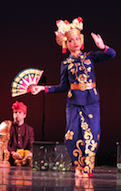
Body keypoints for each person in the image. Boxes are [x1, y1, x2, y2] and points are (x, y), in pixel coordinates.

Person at [31, 17, 116, 178]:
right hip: (73, 103)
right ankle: (78, 166)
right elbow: (63, 87)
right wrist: (43, 88)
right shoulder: (65, 64)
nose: (75, 42)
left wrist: (102, 46)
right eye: (71, 40)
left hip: (91, 101)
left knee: (93, 132)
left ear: (81, 40)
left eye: (77, 39)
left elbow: (112, 54)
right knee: (72, 135)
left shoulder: (91, 56)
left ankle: (88, 167)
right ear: (66, 43)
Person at [7, 101, 34, 167]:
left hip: (24, 159)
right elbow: (5, 145)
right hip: (11, 159)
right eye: (15, 112)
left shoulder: (29, 130)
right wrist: (13, 153)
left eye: (20, 112)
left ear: (24, 115)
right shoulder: (8, 128)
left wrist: (28, 154)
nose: (17, 114)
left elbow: (31, 145)